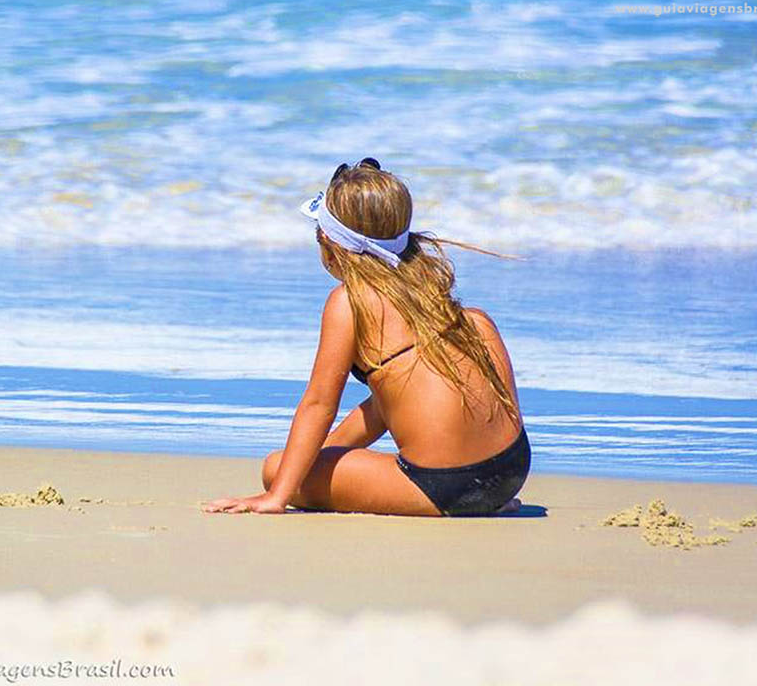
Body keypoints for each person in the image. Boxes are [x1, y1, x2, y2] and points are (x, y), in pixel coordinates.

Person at [203, 158, 530, 517]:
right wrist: (320, 456)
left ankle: (466, 501)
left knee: (274, 467)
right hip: (509, 473)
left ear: (327, 241)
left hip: (443, 487)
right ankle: (490, 500)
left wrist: (278, 495)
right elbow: (383, 408)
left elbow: (319, 404)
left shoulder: (349, 302)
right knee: (478, 323)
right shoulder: (434, 304)